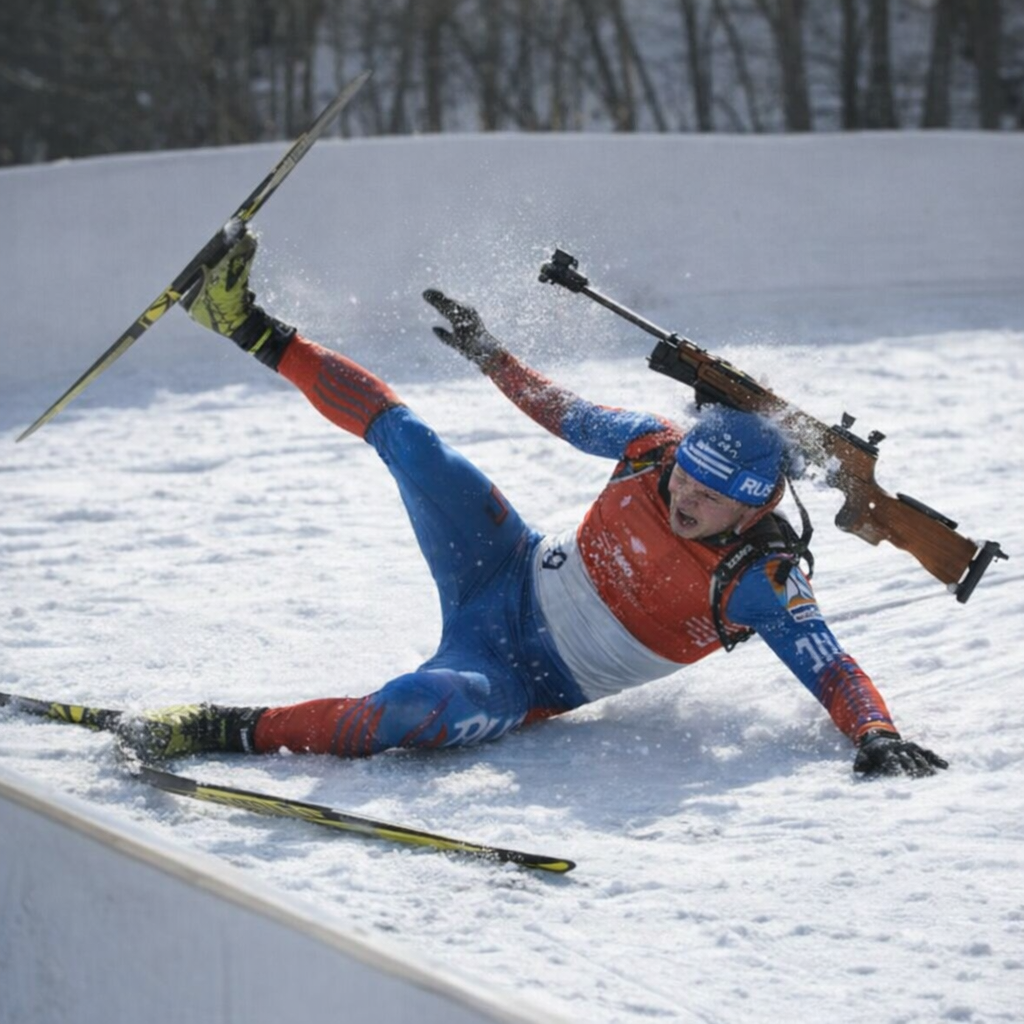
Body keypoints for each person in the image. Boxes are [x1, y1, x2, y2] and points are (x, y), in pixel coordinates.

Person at [116, 231, 948, 779]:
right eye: (684, 478)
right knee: (413, 441)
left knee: (409, 709)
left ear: (753, 506)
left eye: (706, 496)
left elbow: (831, 665)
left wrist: (875, 736)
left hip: (519, 675)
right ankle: (241, 318)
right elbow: (561, 411)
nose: (682, 496)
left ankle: (220, 728)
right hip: (505, 566)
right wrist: (492, 355)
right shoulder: (656, 446)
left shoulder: (758, 575)